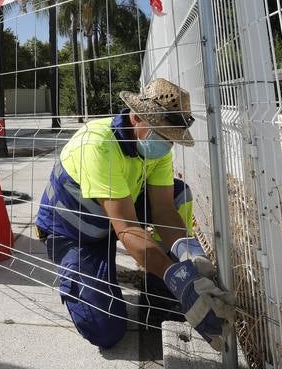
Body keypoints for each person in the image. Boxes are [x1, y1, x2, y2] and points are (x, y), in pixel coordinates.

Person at [35, 78, 234, 350]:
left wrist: (188, 251)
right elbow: (127, 227)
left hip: (114, 219)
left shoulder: (154, 145)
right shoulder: (99, 145)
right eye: (162, 135)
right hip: (75, 234)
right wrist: (177, 276)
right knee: (104, 330)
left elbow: (163, 208)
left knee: (178, 195)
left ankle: (163, 302)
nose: (166, 144)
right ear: (136, 116)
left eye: (171, 138)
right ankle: (161, 278)